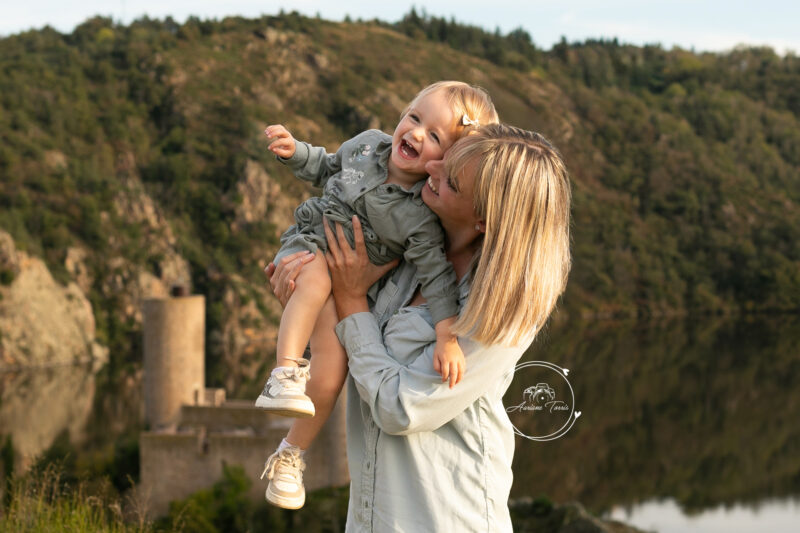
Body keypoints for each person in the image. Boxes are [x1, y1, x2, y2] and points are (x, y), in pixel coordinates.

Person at [266, 123, 572, 531]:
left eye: (452, 181)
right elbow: (339, 316)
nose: (433, 168)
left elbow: (401, 408)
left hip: (443, 518)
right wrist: (303, 274)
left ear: (483, 219)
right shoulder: (411, 248)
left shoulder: (504, 309)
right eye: (447, 158)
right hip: (371, 517)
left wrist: (353, 298)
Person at [256, 82, 499, 509]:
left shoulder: (420, 220)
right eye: (414, 118)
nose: (417, 133)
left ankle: (290, 457)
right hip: (311, 241)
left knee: (330, 375)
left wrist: (446, 337)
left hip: (341, 281)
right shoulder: (367, 146)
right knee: (310, 283)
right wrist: (294, 151)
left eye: (436, 137)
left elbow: (438, 280)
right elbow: (327, 165)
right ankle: (284, 373)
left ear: (445, 164)